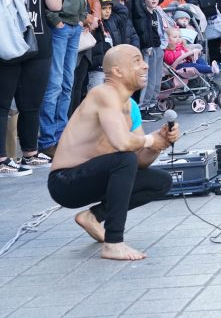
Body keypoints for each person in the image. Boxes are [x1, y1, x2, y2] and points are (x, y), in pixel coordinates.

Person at [47, 45, 178, 260]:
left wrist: (158, 144)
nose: (145, 65)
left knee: (161, 181)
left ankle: (92, 216)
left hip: (97, 176)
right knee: (123, 158)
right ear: (117, 71)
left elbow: (139, 161)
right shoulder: (103, 93)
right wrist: (149, 139)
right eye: (137, 61)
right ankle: (113, 242)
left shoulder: (130, 105)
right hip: (65, 182)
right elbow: (123, 143)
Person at [0, 0, 63, 174]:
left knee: (32, 103)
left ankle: (30, 152)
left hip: (38, 45)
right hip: (8, 47)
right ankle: (2, 159)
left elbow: (57, 5)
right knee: (3, 104)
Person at [30, 0, 88, 157]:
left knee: (67, 83)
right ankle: (48, 141)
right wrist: (56, 20)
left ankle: (62, 136)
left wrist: (82, 14)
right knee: (53, 85)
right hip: (60, 26)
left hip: (74, 23)